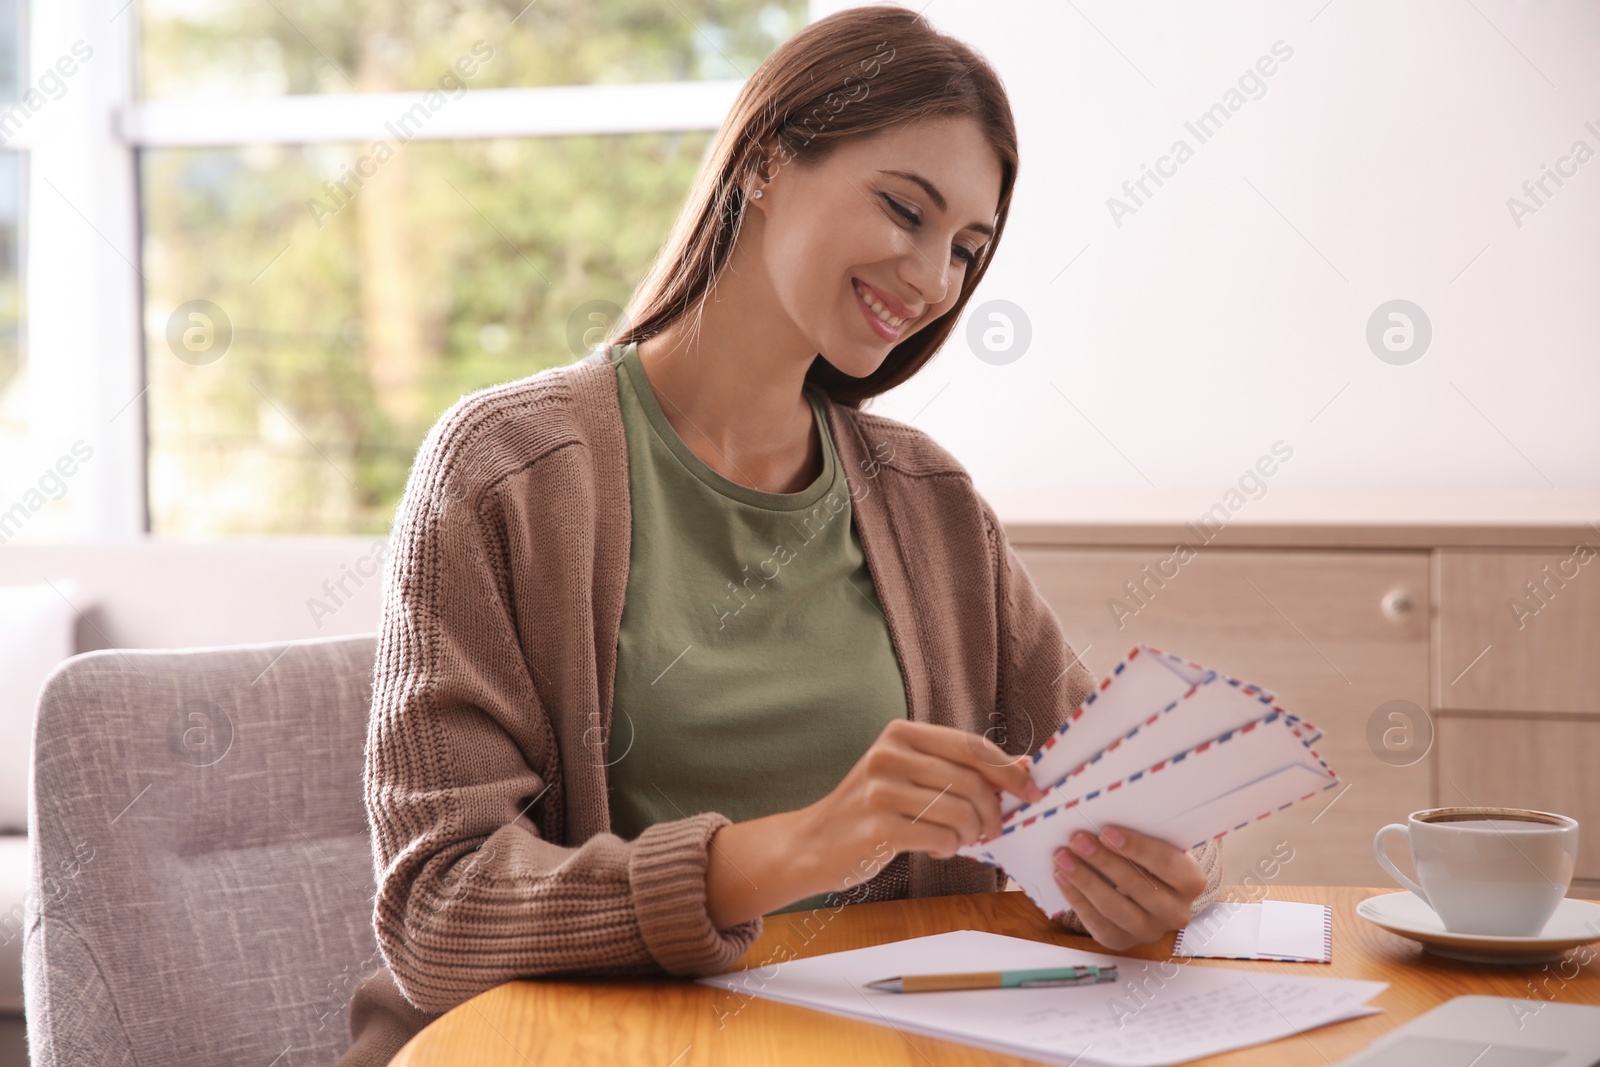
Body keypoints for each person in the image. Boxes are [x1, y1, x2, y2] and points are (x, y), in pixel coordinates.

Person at [337, 7, 1222, 1064]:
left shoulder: (928, 501)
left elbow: (1092, 789)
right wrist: (803, 843)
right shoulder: (505, 470)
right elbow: (439, 912)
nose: (936, 280)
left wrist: (1134, 885)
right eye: (905, 209)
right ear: (764, 159)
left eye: (965, 250)